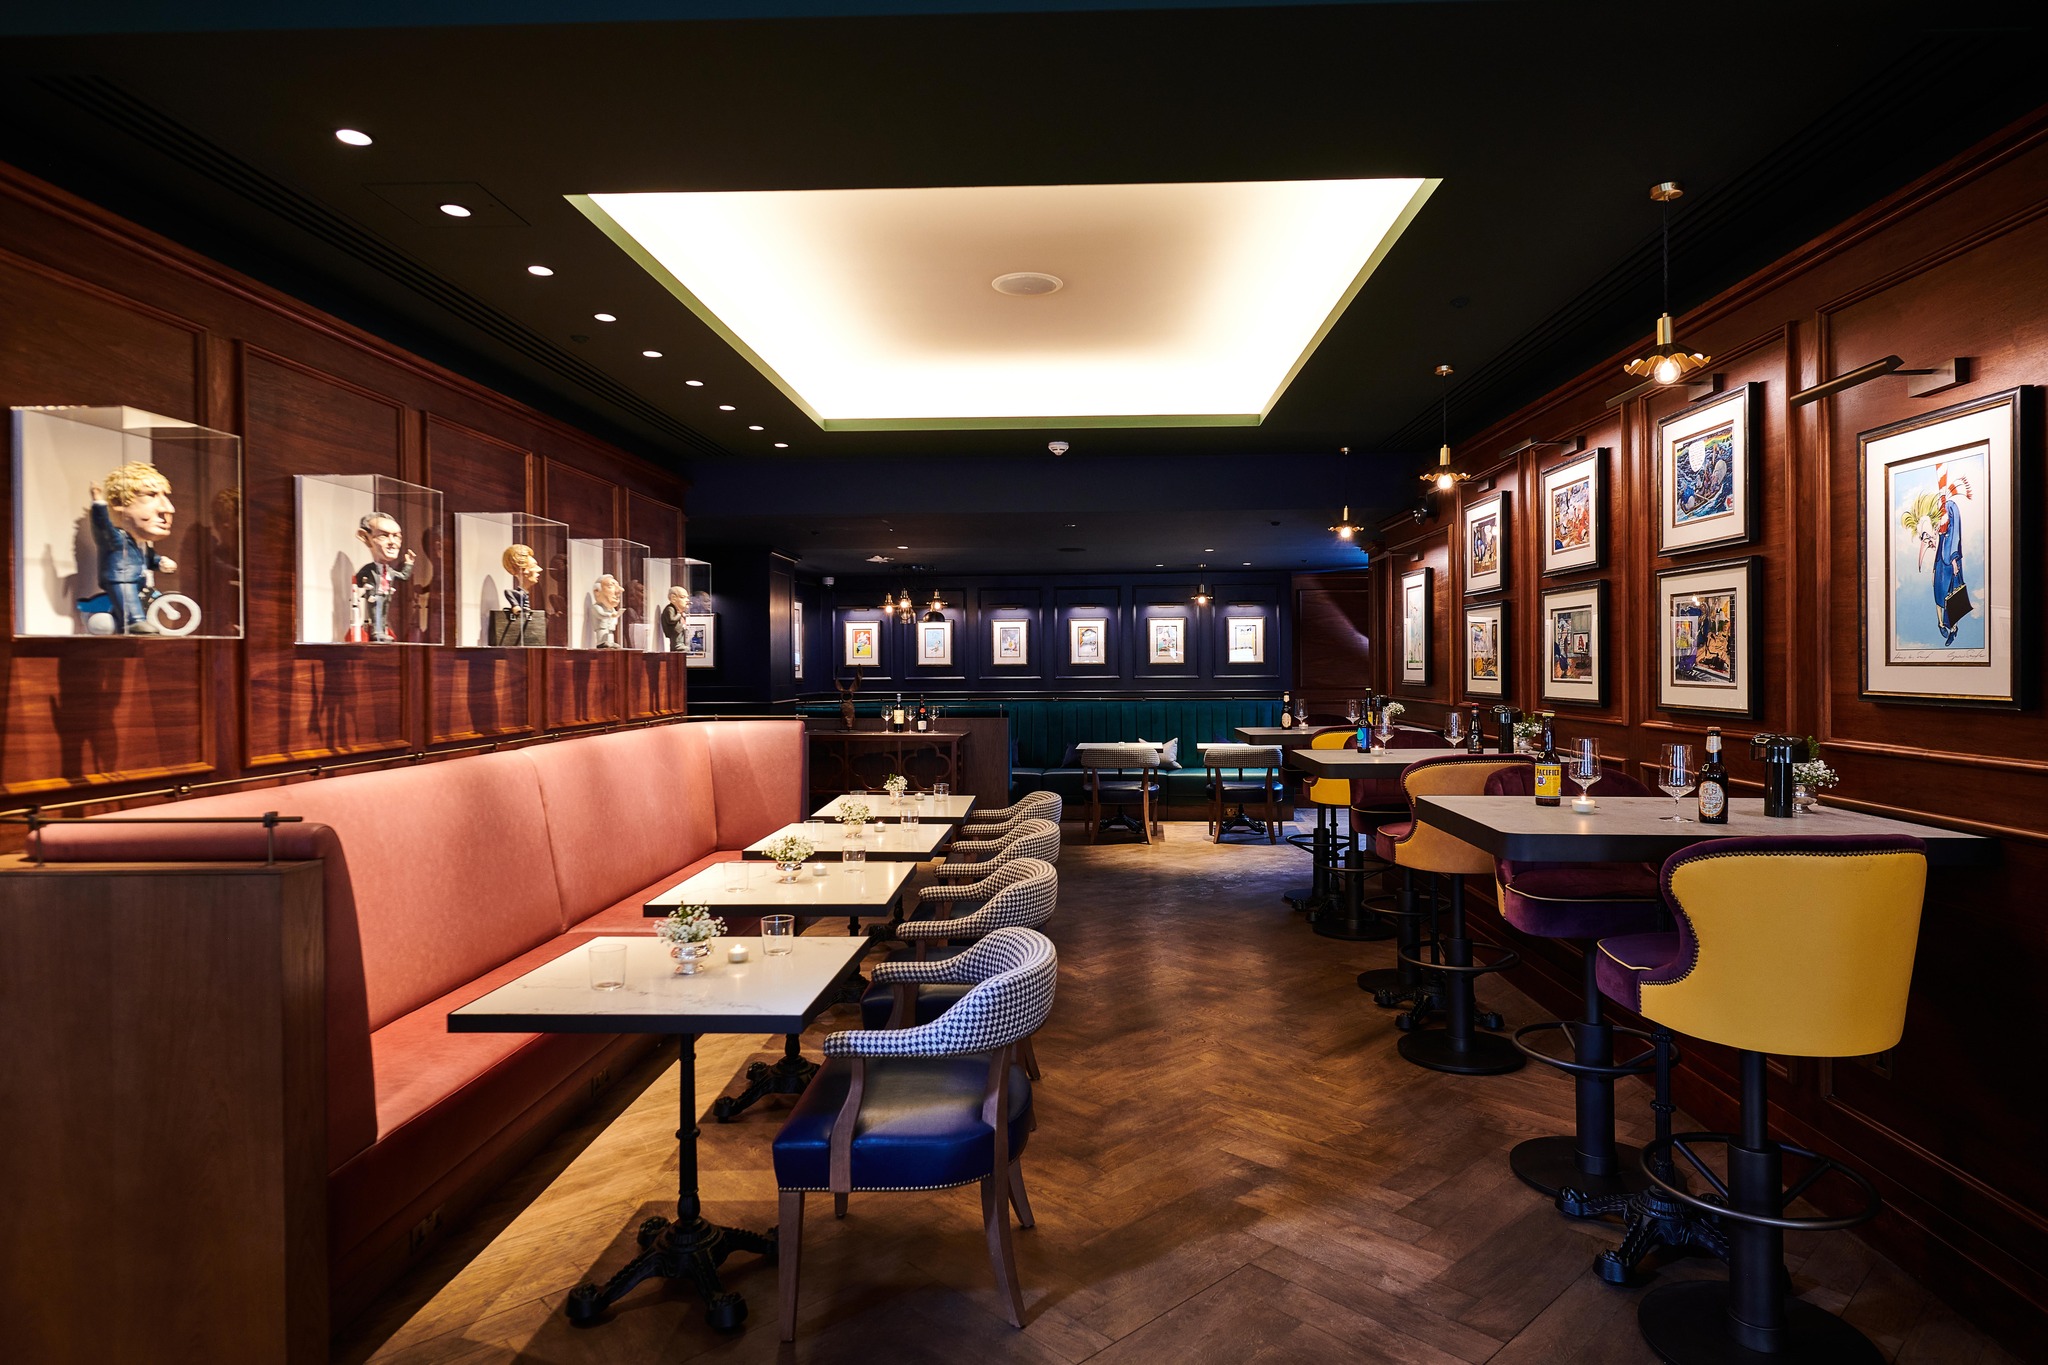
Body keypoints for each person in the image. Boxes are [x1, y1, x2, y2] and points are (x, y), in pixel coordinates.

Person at [89, 462, 178, 634]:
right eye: (150, 495)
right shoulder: (116, 539)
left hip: (137, 581)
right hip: (122, 579)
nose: (168, 509)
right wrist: (99, 503)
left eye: (165, 497)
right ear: (117, 502)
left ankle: (121, 620)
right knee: (128, 598)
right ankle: (134, 621)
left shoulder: (141, 544)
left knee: (131, 601)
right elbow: (102, 527)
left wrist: (160, 562)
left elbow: (149, 558)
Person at [352, 512, 415, 643]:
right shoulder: (369, 569)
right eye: (383, 536)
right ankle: (377, 631)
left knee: (384, 611)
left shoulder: (390, 571)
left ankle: (383, 629)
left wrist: (409, 563)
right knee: (375, 611)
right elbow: (357, 581)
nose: (392, 542)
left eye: (397, 537)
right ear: (365, 537)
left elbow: (403, 576)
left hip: (386, 595)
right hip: (373, 596)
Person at [591, 573, 624, 648]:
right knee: (602, 633)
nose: (620, 590)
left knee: (610, 634)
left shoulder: (611, 609)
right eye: (610, 586)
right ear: (597, 591)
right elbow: (601, 614)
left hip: (609, 627)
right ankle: (601, 643)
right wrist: (610, 615)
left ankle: (611, 642)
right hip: (602, 627)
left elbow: (614, 614)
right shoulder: (596, 607)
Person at [660, 583, 689, 652]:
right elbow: (671, 620)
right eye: (683, 597)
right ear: (673, 598)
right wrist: (679, 614)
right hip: (674, 632)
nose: (687, 600)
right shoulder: (670, 609)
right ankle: (677, 646)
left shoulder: (676, 609)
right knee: (678, 642)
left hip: (678, 630)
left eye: (687, 597)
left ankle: (680, 645)